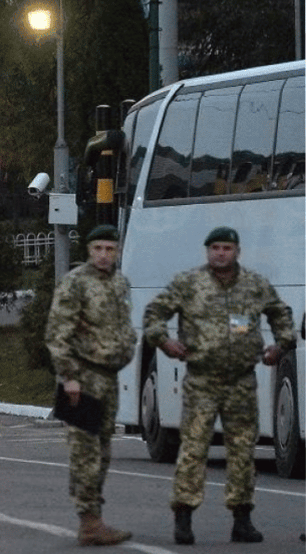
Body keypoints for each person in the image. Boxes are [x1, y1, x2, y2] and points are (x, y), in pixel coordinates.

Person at [142, 226, 295, 545]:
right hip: (201, 380)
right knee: (194, 449)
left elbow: (281, 315)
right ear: (207, 251)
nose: (221, 253)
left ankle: (242, 519)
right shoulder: (189, 283)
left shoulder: (254, 284)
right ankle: (183, 518)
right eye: (215, 248)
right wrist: (165, 341)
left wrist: (279, 347)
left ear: (237, 251)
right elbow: (154, 313)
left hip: (241, 381)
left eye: (227, 248)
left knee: (242, 452)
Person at [45, 224, 137, 546]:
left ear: (118, 252)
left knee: (103, 450)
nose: (103, 255)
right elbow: (58, 333)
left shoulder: (119, 283)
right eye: (98, 248)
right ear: (88, 250)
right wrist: (68, 376)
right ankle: (89, 521)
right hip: (83, 378)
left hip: (108, 378)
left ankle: (95, 516)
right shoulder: (75, 283)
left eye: (110, 249)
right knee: (85, 451)